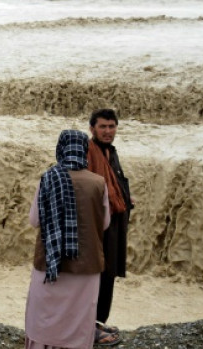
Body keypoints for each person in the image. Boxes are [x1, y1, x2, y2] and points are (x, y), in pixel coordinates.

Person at [24, 130, 110, 349]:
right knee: (79, 319)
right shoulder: (99, 183)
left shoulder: (48, 178)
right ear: (85, 151)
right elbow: (105, 223)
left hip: (51, 263)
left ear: (60, 149)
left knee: (45, 317)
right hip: (87, 264)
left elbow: (34, 220)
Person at [86, 109, 134, 345]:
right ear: (92, 128)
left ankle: (97, 322)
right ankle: (89, 327)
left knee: (108, 274)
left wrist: (126, 198)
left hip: (114, 222)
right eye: (103, 126)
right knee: (97, 274)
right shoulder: (88, 152)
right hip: (98, 225)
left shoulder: (110, 153)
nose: (107, 131)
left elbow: (113, 184)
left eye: (111, 126)